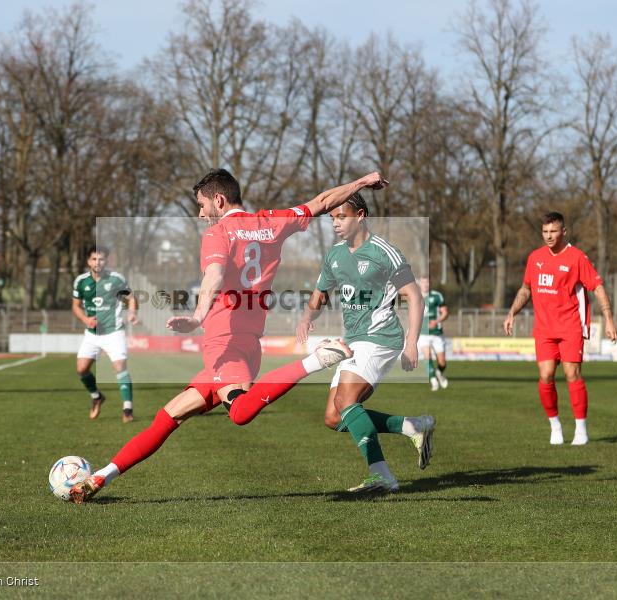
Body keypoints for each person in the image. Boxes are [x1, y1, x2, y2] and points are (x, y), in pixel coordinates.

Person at [68, 168, 389, 503]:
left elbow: (215, 275)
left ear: (218, 200)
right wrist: (361, 182)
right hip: (248, 342)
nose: (201, 213)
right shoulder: (271, 222)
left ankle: (315, 360)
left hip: (225, 342)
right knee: (168, 417)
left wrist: (197, 316)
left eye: (202, 205)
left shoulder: (218, 233)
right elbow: (322, 201)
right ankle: (99, 479)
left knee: (239, 413)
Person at [296, 194, 434, 493]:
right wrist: (308, 316)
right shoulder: (334, 255)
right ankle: (413, 426)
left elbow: (414, 296)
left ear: (360, 215)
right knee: (334, 417)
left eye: (341, 217)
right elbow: (321, 292)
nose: (335, 223)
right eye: (331, 218)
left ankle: (381, 475)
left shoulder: (385, 252)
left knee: (346, 403)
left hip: (381, 338)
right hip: (354, 341)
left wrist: (412, 343)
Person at [503, 212, 617, 446]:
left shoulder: (577, 258)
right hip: (544, 329)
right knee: (545, 375)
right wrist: (512, 312)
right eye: (545, 232)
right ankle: (555, 426)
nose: (548, 236)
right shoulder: (535, 258)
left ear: (564, 231)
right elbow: (526, 289)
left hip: (570, 327)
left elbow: (597, 287)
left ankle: (580, 429)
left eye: (553, 231)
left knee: (571, 374)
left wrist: (609, 319)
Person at [72, 246, 139, 421]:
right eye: (94, 259)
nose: (97, 262)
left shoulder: (116, 279)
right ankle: (96, 396)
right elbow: (75, 306)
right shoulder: (81, 281)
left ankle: (127, 410)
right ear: (88, 261)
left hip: (113, 331)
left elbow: (131, 298)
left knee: (119, 367)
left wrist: (132, 313)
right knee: (81, 369)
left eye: (101, 259)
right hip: (92, 334)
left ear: (106, 261)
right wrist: (86, 320)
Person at [418, 277, 449, 391]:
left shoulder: (437, 296)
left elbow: (445, 313)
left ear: (430, 283)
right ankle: (433, 381)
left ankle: (439, 372)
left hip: (437, 333)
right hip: (423, 333)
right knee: (428, 357)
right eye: (423, 282)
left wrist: (437, 321)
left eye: (427, 282)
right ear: (419, 284)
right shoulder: (415, 296)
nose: (425, 285)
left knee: (442, 362)